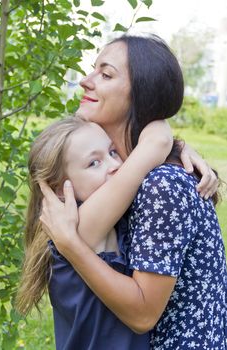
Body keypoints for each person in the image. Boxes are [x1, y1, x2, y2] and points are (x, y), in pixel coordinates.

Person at [39, 34, 227, 349]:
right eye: (93, 70)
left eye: (106, 74)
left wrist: (70, 244)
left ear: (140, 95)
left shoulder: (162, 185)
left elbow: (142, 315)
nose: (86, 81)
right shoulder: (125, 173)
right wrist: (166, 142)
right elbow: (85, 228)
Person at [16, 115, 175, 349]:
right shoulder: (80, 229)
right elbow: (159, 139)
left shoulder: (114, 220)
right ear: (61, 189)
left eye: (112, 152)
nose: (116, 166)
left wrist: (180, 150)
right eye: (94, 163)